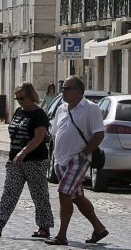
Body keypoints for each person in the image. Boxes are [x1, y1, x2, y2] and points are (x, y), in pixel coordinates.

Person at [0, 83, 53, 239]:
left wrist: (24, 152)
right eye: (16, 98)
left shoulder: (39, 114)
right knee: (9, 193)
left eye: (22, 97)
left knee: (39, 195)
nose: (19, 101)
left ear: (31, 96)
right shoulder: (19, 111)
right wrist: (16, 153)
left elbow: (39, 137)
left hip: (35, 160)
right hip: (15, 161)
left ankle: (44, 228)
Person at [46, 75, 108, 246]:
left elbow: (99, 134)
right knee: (76, 197)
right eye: (63, 88)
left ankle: (61, 235)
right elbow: (55, 132)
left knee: (64, 192)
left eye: (67, 89)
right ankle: (99, 228)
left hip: (78, 158)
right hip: (60, 159)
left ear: (79, 91)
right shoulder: (62, 108)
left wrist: (85, 153)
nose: (63, 92)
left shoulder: (91, 108)